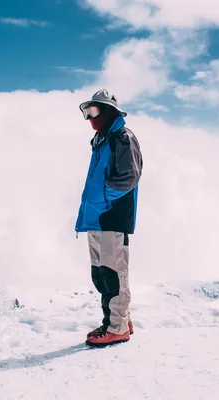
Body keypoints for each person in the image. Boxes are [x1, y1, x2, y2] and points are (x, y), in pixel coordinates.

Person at [75, 89, 143, 347]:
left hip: (111, 216)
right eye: (87, 112)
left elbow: (128, 177)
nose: (90, 117)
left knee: (114, 273)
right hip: (96, 218)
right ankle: (120, 319)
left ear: (108, 110)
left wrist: (104, 200)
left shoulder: (122, 137)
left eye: (93, 111)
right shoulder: (102, 139)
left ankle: (117, 328)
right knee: (102, 274)